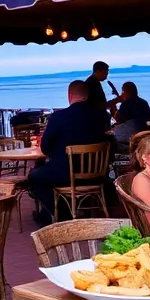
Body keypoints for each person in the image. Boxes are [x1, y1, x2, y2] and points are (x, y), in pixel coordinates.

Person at [26, 80, 109, 227]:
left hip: (64, 175)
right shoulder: (100, 116)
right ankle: (59, 211)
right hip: (96, 175)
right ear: (87, 95)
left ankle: (58, 213)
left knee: (34, 176)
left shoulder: (58, 118)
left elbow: (45, 148)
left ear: (69, 95)